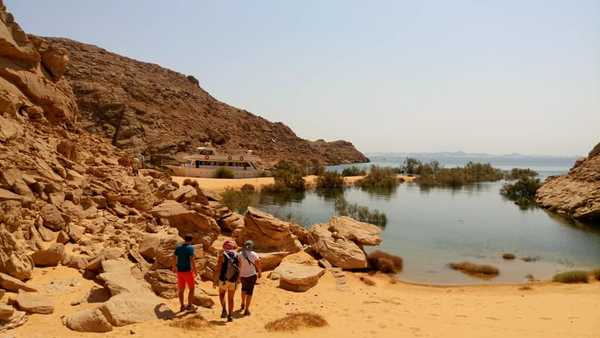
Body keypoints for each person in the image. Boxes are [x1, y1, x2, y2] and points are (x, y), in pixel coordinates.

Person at [213, 240, 239, 322]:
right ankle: (230, 316)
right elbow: (239, 268)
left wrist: (214, 280)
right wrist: (238, 279)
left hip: (223, 279)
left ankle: (224, 309)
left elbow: (218, 268)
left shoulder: (222, 255)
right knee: (231, 298)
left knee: (221, 294)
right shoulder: (237, 255)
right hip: (233, 280)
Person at [172, 234, 197, 313]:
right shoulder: (190, 248)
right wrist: (195, 270)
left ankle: (182, 306)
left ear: (184, 239)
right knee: (192, 289)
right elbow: (192, 260)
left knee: (181, 290)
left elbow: (174, 257)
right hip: (188, 271)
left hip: (180, 271)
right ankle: (190, 305)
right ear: (191, 240)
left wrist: (174, 266)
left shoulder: (178, 247)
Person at [238, 240, 261, 316]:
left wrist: (239, 275)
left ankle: (242, 303)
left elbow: (239, 265)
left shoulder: (240, 254)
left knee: (243, 289)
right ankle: (247, 309)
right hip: (251, 275)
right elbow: (258, 264)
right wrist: (259, 272)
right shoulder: (254, 254)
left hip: (243, 275)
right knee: (249, 292)